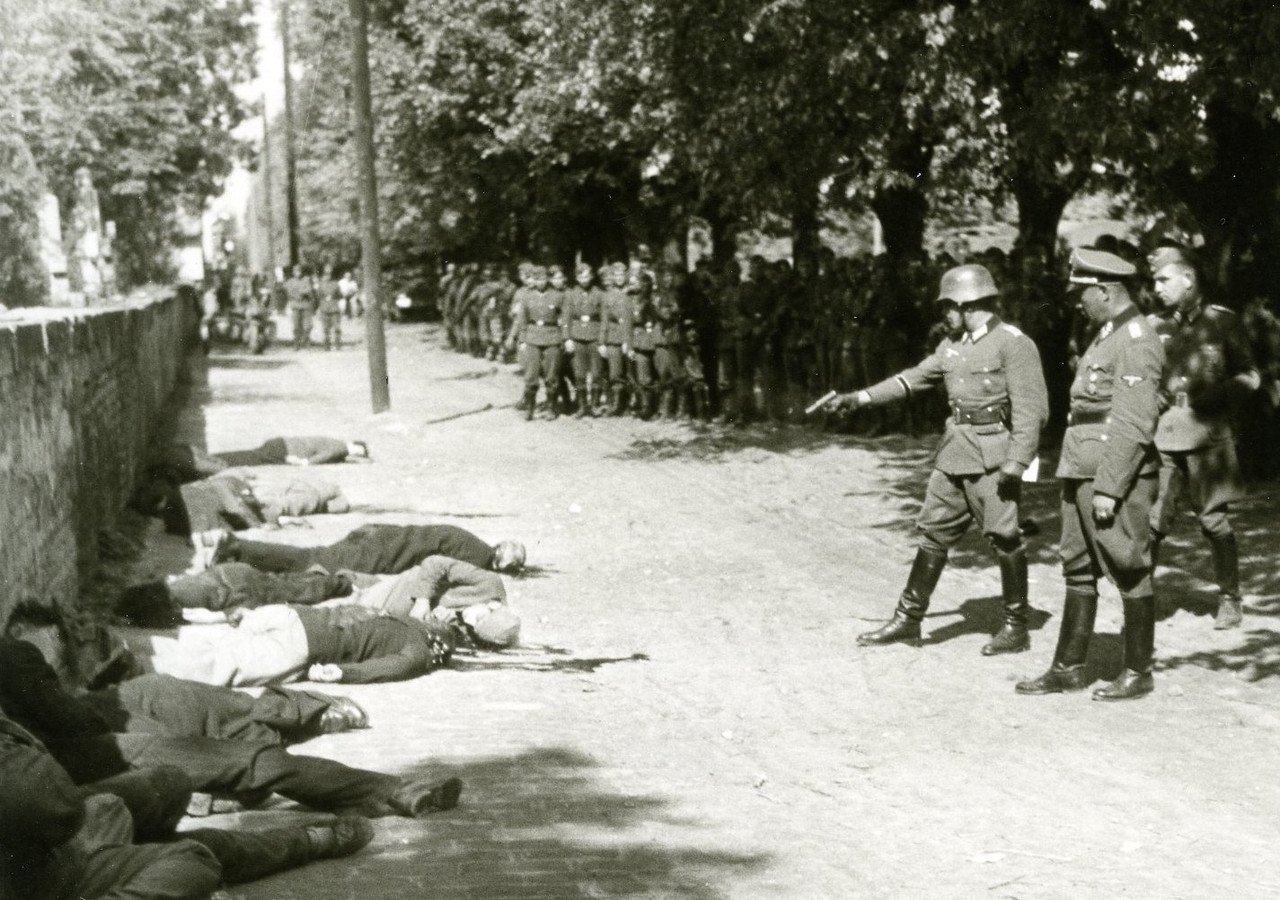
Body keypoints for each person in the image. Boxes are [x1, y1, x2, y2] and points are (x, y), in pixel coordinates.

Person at [2, 617, 464, 819]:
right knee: (248, 761)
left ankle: (357, 794)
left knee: (228, 757)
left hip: (43, 784)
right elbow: (76, 724)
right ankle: (390, 791)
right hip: (79, 760)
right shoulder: (13, 656)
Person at [828, 264, 1050, 654]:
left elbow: (1033, 411)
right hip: (954, 453)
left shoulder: (1012, 343)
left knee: (1004, 537)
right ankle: (908, 620)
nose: (943, 314)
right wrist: (858, 397)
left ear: (968, 304)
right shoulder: (952, 346)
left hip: (993, 458)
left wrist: (1017, 463)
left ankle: (1016, 626)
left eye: (947, 306)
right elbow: (911, 379)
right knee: (933, 533)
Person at [0, 712, 375, 900]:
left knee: (166, 784)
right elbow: (50, 805)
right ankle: (310, 841)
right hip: (45, 870)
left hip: (44, 836)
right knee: (196, 857)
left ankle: (142, 858)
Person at [1016, 248, 1165, 701]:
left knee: (1127, 566)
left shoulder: (1136, 339)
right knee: (1078, 568)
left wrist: (1109, 488)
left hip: (1109, 474)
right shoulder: (1107, 334)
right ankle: (1068, 667)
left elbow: (1134, 424)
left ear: (1105, 290)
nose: (1077, 301)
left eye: (1083, 293)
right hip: (1081, 467)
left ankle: (1139, 671)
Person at [1146, 244, 1261, 629]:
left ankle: (1230, 597)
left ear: (1188, 279)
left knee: (1213, 521)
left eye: (1163, 280)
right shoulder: (1154, 325)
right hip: (1163, 433)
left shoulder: (1222, 323)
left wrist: (1219, 396)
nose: (1156, 287)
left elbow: (1249, 375)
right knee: (1154, 515)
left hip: (1206, 434)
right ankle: (1141, 594)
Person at [120, 556, 519, 649]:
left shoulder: (472, 625)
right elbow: (434, 564)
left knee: (303, 605)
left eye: (470, 626)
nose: (467, 618)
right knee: (303, 599)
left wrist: (449, 627)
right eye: (474, 616)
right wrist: (423, 603)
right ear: (493, 606)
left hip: (374, 610)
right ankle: (146, 598)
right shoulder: (489, 582)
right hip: (381, 593)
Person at [141, 604, 457, 687]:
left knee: (211, 643)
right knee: (220, 667)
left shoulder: (399, 617)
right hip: (301, 644)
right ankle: (135, 666)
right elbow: (387, 668)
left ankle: (139, 648)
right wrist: (342, 673)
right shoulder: (419, 652)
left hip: (288, 614)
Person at [211, 522, 526, 575]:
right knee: (310, 563)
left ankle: (238, 553)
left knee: (311, 558)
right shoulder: (476, 558)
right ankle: (237, 548)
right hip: (378, 552)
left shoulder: (470, 541)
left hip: (378, 536)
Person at [508, 264, 566, 420]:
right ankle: (530, 408)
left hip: (552, 337)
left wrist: (564, 338)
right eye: (537, 279)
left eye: (543, 279)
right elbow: (522, 320)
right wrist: (522, 340)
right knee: (531, 374)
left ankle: (551, 408)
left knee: (551, 374)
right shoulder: (527, 296)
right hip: (532, 338)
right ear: (533, 279)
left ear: (548, 278)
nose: (540, 282)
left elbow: (564, 319)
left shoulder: (558, 296)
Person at [564, 261, 604, 416]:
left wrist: (601, 341)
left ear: (592, 277)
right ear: (576, 278)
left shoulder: (599, 293)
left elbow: (604, 319)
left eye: (587, 276)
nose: (584, 279)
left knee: (596, 373)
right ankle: (582, 405)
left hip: (594, 336)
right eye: (581, 276)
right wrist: (567, 338)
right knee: (579, 374)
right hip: (577, 336)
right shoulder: (570, 294)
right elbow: (566, 318)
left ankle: (594, 405)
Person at [284, 265, 316, 350]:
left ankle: (306, 341)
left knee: (307, 326)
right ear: (293, 272)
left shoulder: (306, 280)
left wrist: (300, 292)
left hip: (305, 306)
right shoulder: (290, 281)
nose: (298, 273)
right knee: (296, 326)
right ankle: (296, 343)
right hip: (295, 306)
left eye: (299, 271)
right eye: (296, 271)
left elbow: (309, 290)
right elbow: (288, 292)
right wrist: (299, 294)